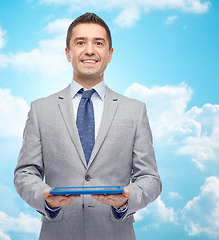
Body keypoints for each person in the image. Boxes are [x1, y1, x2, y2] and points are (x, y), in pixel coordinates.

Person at [14, 12, 162, 240]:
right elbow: (25, 173)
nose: (90, 50)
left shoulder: (135, 110)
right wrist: (43, 196)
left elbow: (150, 177)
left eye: (99, 43)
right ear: (68, 52)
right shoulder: (40, 109)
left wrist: (127, 198)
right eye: (80, 42)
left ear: (110, 54)